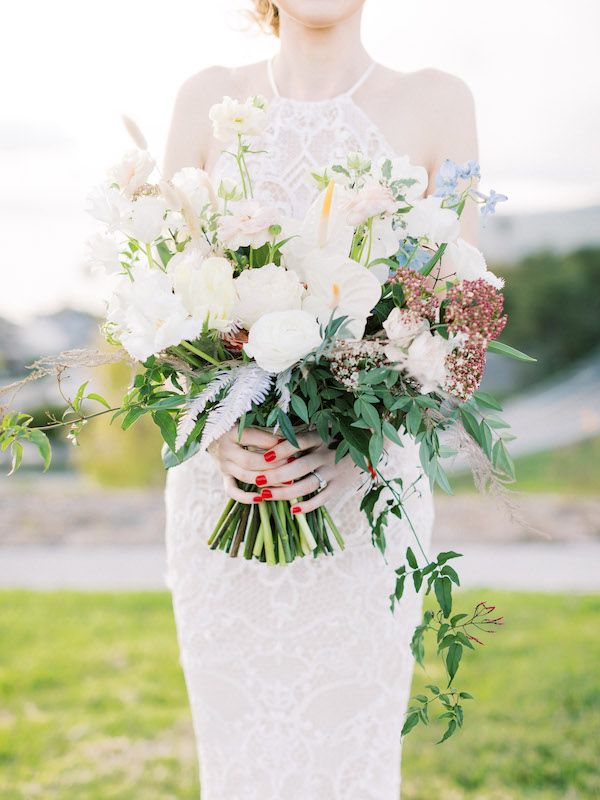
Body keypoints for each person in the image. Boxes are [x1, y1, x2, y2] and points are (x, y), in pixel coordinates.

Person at [163, 2, 479, 797]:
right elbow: (164, 311)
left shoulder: (441, 102)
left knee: (350, 761)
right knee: (239, 762)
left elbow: (456, 321)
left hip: (365, 504)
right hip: (225, 506)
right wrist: (210, 429)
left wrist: (361, 442)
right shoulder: (203, 97)